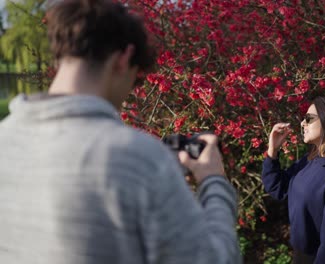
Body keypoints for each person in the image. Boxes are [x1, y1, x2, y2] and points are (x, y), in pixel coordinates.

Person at [0, 0, 240, 263]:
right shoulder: (135, 156)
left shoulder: (5, 138)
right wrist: (213, 181)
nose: (129, 93)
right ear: (124, 58)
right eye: (135, 78)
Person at [262, 96, 325, 264]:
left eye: (308, 118)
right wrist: (273, 150)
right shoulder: (310, 161)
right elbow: (278, 188)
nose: (302, 123)